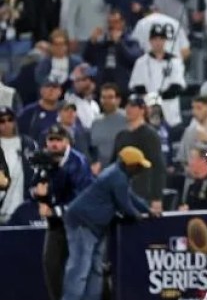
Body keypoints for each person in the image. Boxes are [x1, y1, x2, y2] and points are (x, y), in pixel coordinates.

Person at [60, 146, 153, 300]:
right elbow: (125, 205)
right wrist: (138, 216)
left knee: (96, 269)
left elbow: (130, 197)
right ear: (130, 165)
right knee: (79, 269)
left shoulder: (117, 174)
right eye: (138, 166)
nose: (140, 170)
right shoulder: (117, 177)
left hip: (95, 227)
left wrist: (147, 209)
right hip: (83, 223)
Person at [31, 124, 93, 300]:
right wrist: (37, 193)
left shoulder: (78, 163)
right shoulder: (44, 159)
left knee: (78, 269)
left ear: (67, 141)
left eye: (59, 140)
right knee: (51, 264)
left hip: (80, 223)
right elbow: (34, 187)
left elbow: (82, 200)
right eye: (51, 140)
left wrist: (54, 210)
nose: (54, 144)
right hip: (57, 224)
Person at [111, 95, 164, 214]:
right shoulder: (121, 135)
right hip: (122, 192)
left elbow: (158, 167)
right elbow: (113, 164)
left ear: (142, 109)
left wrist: (157, 197)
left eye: (133, 106)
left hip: (143, 193)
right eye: (127, 105)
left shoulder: (150, 135)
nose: (128, 109)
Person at [128, 24, 186, 127]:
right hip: (148, 111)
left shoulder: (175, 61)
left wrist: (159, 97)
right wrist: (152, 100)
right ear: (150, 41)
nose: (158, 42)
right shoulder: (141, 62)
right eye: (155, 39)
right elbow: (137, 87)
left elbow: (177, 87)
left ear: (165, 41)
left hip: (170, 111)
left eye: (161, 39)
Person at [82, 10, 144, 97]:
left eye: (115, 22)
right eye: (109, 22)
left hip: (122, 89)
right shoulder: (102, 43)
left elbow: (133, 59)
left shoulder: (131, 42)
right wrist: (92, 42)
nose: (111, 26)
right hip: (102, 88)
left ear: (122, 23)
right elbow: (88, 59)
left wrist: (119, 43)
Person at [0, 106, 38, 223]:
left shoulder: (29, 144)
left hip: (23, 207)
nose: (6, 124)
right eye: (1, 121)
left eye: (10, 119)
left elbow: (37, 171)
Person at [89, 83, 127, 173]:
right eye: (103, 97)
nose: (106, 101)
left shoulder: (128, 119)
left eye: (110, 97)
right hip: (101, 172)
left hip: (123, 171)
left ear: (118, 100)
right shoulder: (95, 122)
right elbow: (93, 148)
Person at [177, 96, 207, 168]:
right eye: (193, 108)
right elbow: (183, 159)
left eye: (199, 108)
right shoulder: (190, 131)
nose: (194, 112)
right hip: (194, 175)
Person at [178, 146, 207, 210]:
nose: (189, 162)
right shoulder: (193, 184)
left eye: (192, 158)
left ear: (203, 160)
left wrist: (191, 208)